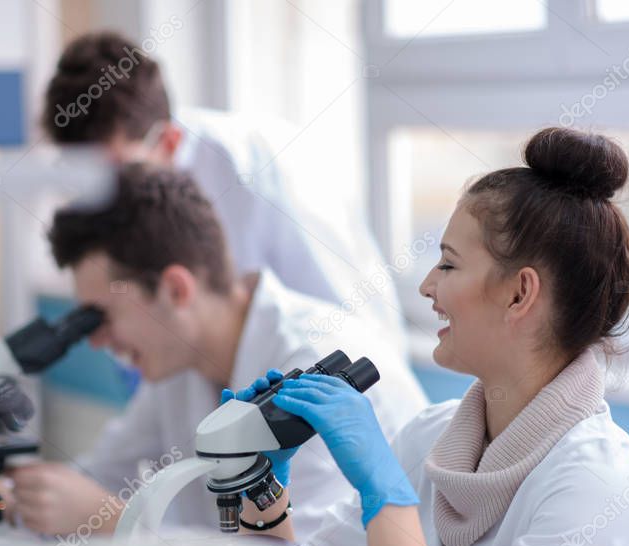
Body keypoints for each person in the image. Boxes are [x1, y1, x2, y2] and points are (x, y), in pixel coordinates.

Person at [230, 128, 629, 546]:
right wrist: (261, 488)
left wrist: (385, 497)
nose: (428, 286)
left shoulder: (599, 488)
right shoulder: (432, 438)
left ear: (519, 294)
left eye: (449, 265)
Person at [9, 164, 427, 541]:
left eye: (103, 316)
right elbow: (99, 477)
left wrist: (111, 521)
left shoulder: (311, 367)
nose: (97, 341)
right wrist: (17, 496)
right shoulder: (179, 362)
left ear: (175, 290)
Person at [43, 31, 406, 347]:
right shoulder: (131, 199)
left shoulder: (256, 170)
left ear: (169, 141)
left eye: (117, 174)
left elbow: (351, 326)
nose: (106, 198)